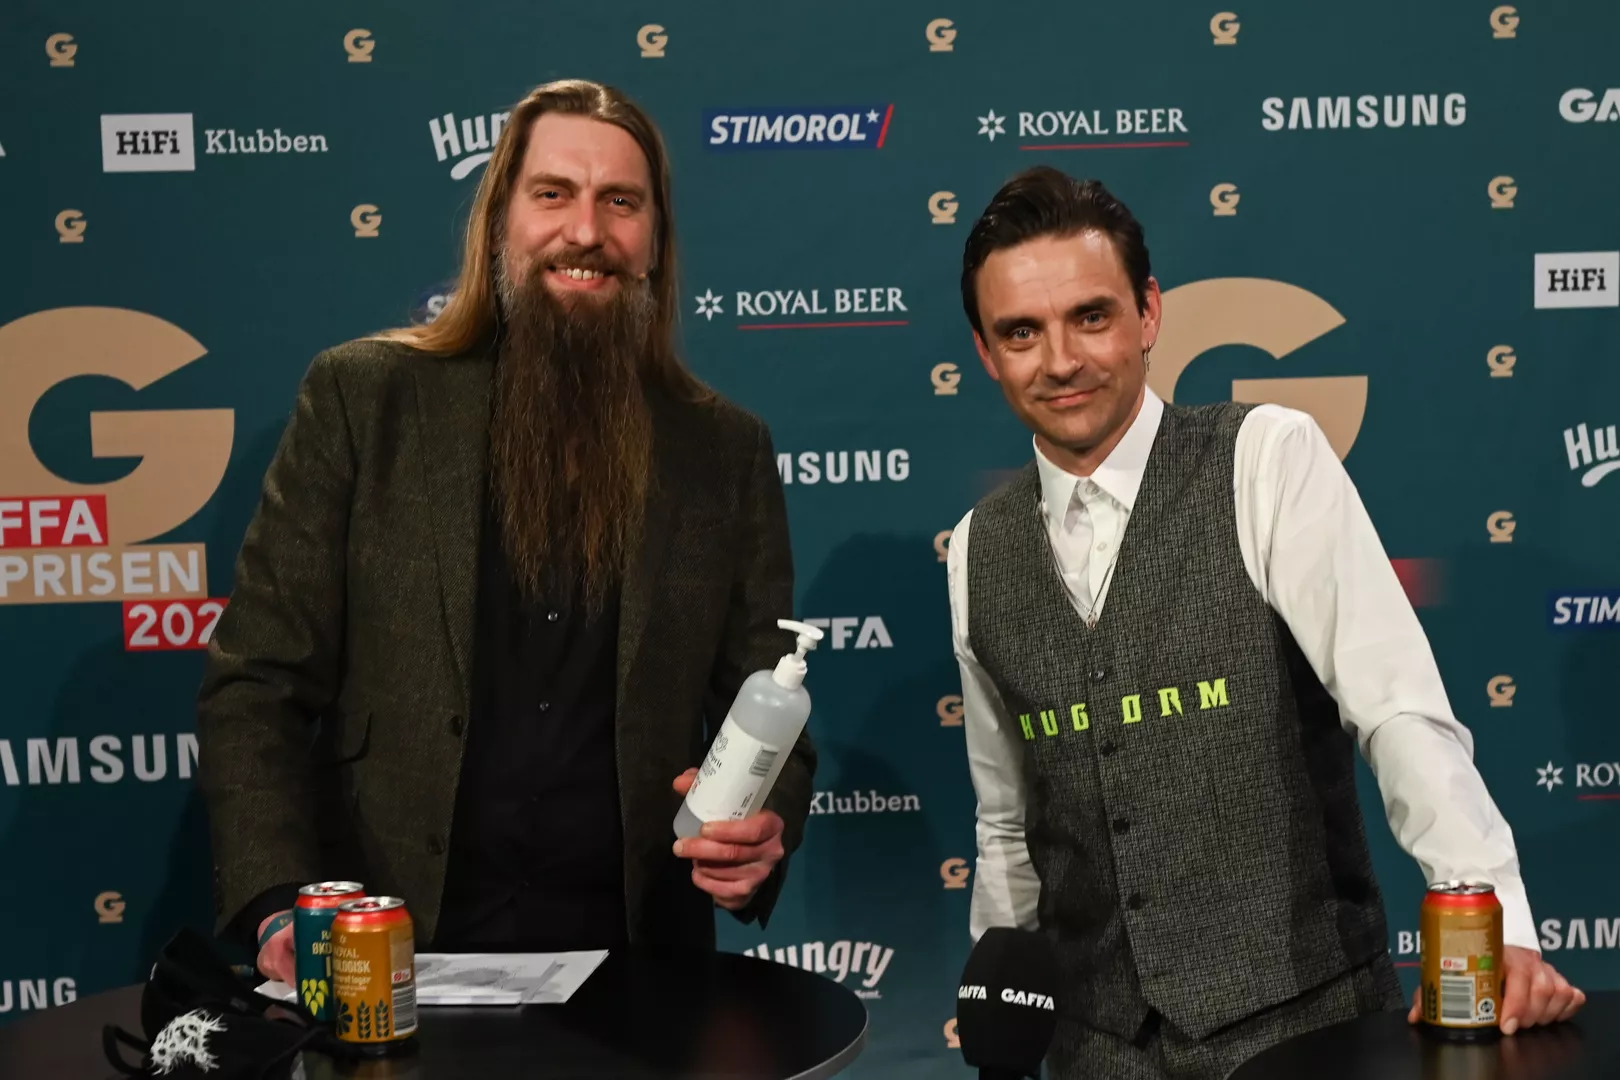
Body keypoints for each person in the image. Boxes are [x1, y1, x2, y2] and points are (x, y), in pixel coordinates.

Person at [945, 166, 1582, 1079]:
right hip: (1090, 1048)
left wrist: (1495, 919)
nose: (1060, 360)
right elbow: (1009, 822)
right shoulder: (977, 547)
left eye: (1091, 316)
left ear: (1149, 313)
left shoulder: (1267, 457)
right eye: (1021, 332)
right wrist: (1000, 1007)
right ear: (985, 352)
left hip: (1304, 1034)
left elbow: (1396, 708)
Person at [195, 79, 814, 984]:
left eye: (621, 202)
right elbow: (257, 681)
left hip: (640, 970)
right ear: (497, 224)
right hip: (390, 950)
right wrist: (276, 896)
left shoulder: (726, 449)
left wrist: (761, 832)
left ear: (655, 243)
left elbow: (769, 696)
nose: (586, 231)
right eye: (553, 194)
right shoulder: (364, 400)